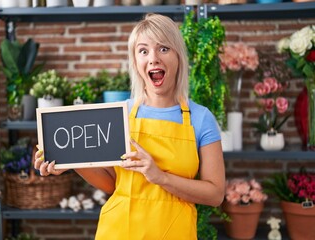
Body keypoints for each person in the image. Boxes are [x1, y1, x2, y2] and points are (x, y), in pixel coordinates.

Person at [34, 13, 225, 240]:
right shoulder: (118, 114)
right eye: (143, 51)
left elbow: (215, 194)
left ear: (178, 57)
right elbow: (112, 183)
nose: (153, 58)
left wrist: (160, 177)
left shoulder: (201, 118)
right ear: (135, 61)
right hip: (119, 231)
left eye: (163, 48)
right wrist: (71, 160)